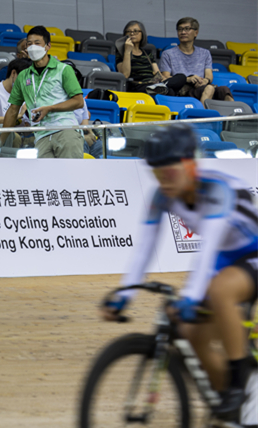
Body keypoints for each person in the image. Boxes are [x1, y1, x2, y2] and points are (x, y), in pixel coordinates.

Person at [102, 123, 258, 423]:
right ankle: (230, 405)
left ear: (189, 165)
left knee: (219, 291)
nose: (164, 181)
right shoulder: (163, 195)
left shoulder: (216, 190)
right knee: (189, 331)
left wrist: (189, 297)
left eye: (170, 172)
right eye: (157, 174)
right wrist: (124, 294)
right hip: (227, 260)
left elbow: (208, 249)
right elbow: (144, 249)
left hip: (252, 252)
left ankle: (240, 384)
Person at [0, 26, 84, 158]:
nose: (33, 47)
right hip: (41, 136)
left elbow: (78, 101)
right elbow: (13, 109)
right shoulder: (23, 76)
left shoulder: (63, 69)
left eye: (37, 43)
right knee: (43, 178)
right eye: (29, 44)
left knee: (70, 176)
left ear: (48, 46)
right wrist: (0, 140)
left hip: (66, 130)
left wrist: (50, 108)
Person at [159, 17, 234, 103]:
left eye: (187, 29)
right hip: (183, 90)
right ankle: (202, 115)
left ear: (196, 32)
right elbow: (165, 78)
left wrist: (206, 80)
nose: (183, 32)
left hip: (201, 87)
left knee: (225, 90)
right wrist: (188, 79)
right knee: (209, 88)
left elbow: (209, 75)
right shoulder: (168, 54)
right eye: (180, 29)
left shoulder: (205, 53)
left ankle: (234, 114)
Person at [115, 20, 186, 96]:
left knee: (181, 77)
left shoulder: (148, 54)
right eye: (128, 31)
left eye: (135, 31)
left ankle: (163, 86)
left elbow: (157, 74)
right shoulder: (122, 53)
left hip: (152, 85)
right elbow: (125, 75)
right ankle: (162, 88)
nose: (132, 34)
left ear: (142, 34)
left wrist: (168, 81)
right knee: (170, 92)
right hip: (137, 87)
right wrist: (127, 51)